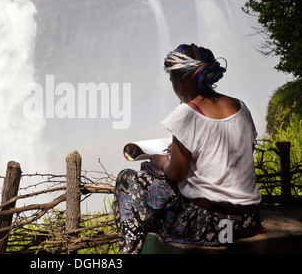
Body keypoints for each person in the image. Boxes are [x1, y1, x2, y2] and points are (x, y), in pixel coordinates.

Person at [112, 43, 264, 254]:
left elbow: (176, 174)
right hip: (245, 220)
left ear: (182, 79)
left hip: (208, 224)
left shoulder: (186, 113)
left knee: (127, 179)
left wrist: (161, 161)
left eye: (171, 79)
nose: (172, 85)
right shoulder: (240, 107)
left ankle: (129, 252)